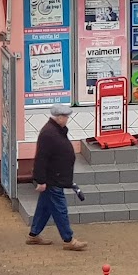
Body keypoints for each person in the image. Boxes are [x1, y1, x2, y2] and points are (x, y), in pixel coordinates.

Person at [26, 105, 87, 251]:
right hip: (52, 179)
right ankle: (68, 239)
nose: (67, 119)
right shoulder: (49, 133)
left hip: (55, 177)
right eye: (66, 117)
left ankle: (33, 235)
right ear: (59, 117)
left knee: (44, 208)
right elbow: (41, 159)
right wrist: (40, 180)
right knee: (60, 209)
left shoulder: (56, 130)